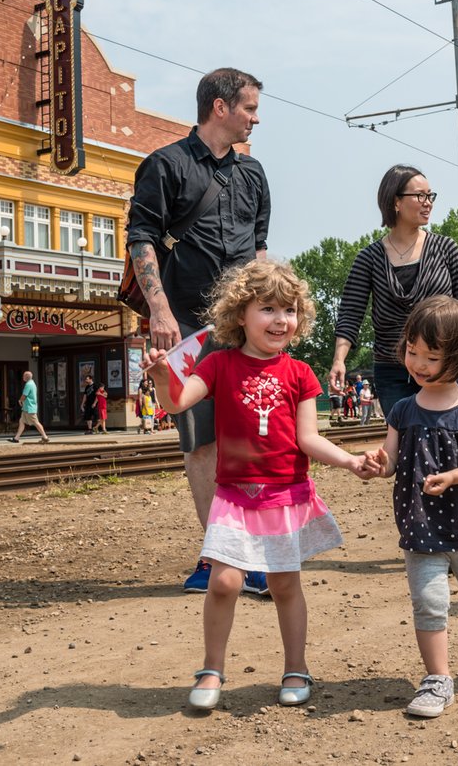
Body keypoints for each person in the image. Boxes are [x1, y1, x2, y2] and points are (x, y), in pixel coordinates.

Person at [145, 259, 373, 711]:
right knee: (224, 582)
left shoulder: (301, 374)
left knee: (284, 585)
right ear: (240, 315)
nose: (280, 319)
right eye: (268, 308)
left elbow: (307, 438)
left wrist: (349, 460)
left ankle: (296, 666)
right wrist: (159, 375)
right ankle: (211, 669)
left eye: (289, 310)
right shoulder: (217, 365)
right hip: (233, 496)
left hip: (285, 495)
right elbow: (176, 402)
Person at [126, 68, 270, 596]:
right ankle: (217, 557)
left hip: (245, 328)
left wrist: (271, 319)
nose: (256, 118)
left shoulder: (254, 176)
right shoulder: (165, 166)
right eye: (250, 108)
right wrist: (159, 311)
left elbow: (258, 254)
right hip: (187, 325)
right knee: (202, 444)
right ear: (219, 107)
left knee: (252, 441)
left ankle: (252, 552)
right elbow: (141, 240)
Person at [360, 295, 458, 718]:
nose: (418, 364)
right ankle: (438, 679)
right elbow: (390, 461)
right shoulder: (403, 410)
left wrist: (454, 476)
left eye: (431, 356)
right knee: (429, 603)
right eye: (412, 352)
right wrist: (375, 464)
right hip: (420, 527)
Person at [329, 165, 458, 415]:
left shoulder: (446, 249)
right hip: (392, 372)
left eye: (430, 195)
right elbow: (350, 315)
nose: (428, 202)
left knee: (445, 435)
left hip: (442, 365)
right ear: (396, 201)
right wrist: (339, 360)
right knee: (404, 443)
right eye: (420, 195)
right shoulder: (369, 258)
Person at [12, 370, 50, 443]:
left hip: (29, 407)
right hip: (27, 407)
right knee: (22, 421)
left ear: (26, 377)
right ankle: (16, 438)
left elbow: (24, 395)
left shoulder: (28, 384)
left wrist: (20, 400)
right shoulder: (32, 383)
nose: (22, 377)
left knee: (36, 422)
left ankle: (45, 437)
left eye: (23, 375)